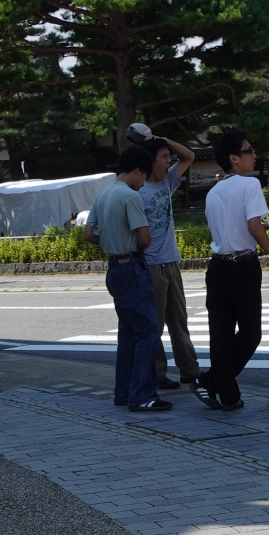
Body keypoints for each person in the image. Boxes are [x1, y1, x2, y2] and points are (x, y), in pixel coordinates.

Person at [199, 128, 269, 410]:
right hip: (242, 266)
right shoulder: (249, 185)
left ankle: (224, 392)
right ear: (234, 158)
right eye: (249, 151)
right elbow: (252, 227)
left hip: (217, 267)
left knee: (220, 333)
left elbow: (239, 226)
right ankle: (213, 382)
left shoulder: (214, 191)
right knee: (251, 332)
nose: (254, 156)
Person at [83, 144, 168, 412]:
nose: (143, 183)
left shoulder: (104, 194)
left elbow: (88, 234)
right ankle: (143, 395)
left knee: (128, 334)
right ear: (138, 170)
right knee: (148, 332)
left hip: (114, 269)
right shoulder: (131, 197)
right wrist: (131, 246)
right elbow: (145, 238)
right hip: (132, 266)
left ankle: (124, 392)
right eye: (144, 176)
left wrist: (110, 241)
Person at [133, 129, 200, 393]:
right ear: (149, 162)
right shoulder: (139, 192)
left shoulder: (166, 182)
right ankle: (158, 373)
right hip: (151, 265)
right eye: (163, 157)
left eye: (168, 158)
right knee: (155, 324)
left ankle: (190, 371)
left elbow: (189, 156)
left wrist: (163, 139)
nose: (169, 162)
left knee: (179, 320)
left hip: (171, 262)